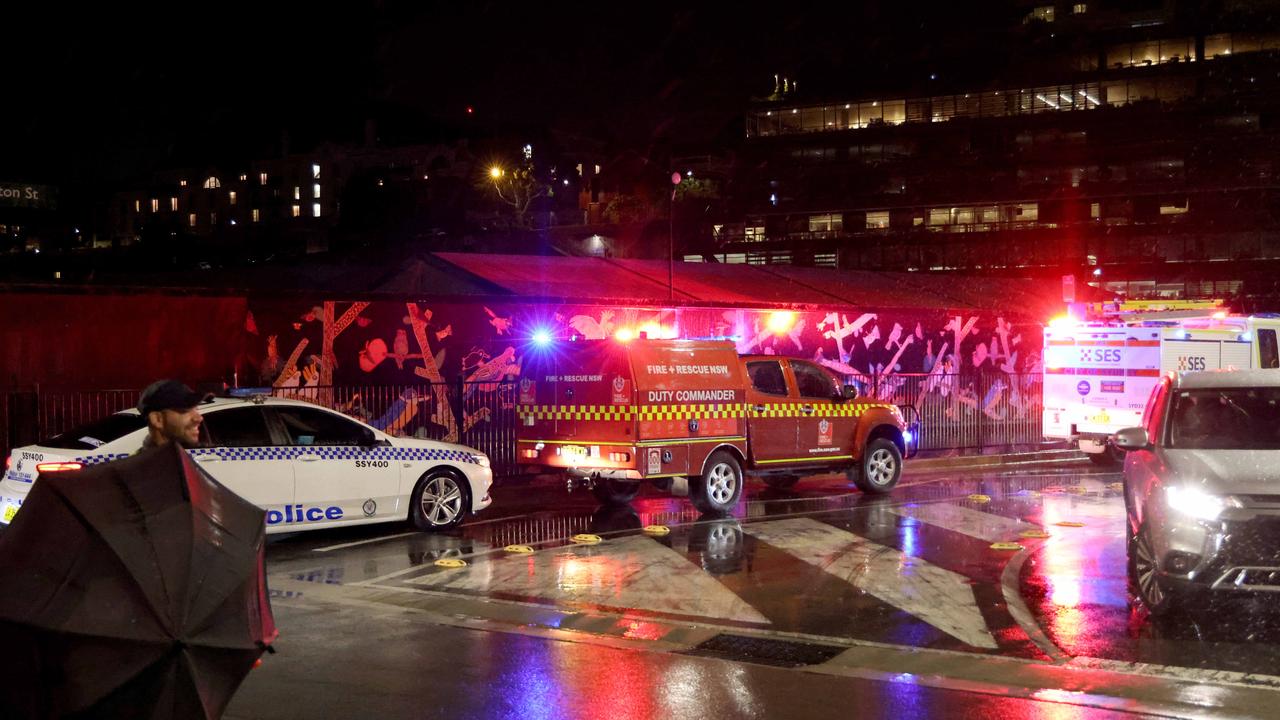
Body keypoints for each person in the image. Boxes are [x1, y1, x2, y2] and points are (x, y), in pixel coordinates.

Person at [137, 379, 208, 449]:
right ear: (157, 419)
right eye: (185, 411)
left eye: (196, 409)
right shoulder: (142, 460)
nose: (199, 418)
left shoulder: (187, 458)